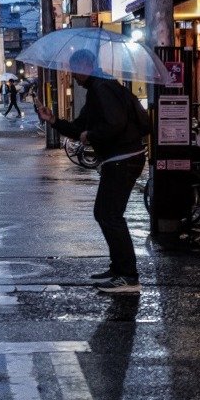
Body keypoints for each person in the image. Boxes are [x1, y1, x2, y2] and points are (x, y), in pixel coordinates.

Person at [34, 50, 148, 293]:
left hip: (123, 158)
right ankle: (119, 269)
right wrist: (53, 120)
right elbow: (78, 128)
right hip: (120, 158)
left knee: (110, 215)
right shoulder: (99, 88)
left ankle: (128, 276)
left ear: (86, 65)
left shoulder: (102, 88)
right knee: (105, 213)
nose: (72, 75)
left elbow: (114, 124)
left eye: (74, 69)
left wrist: (92, 135)